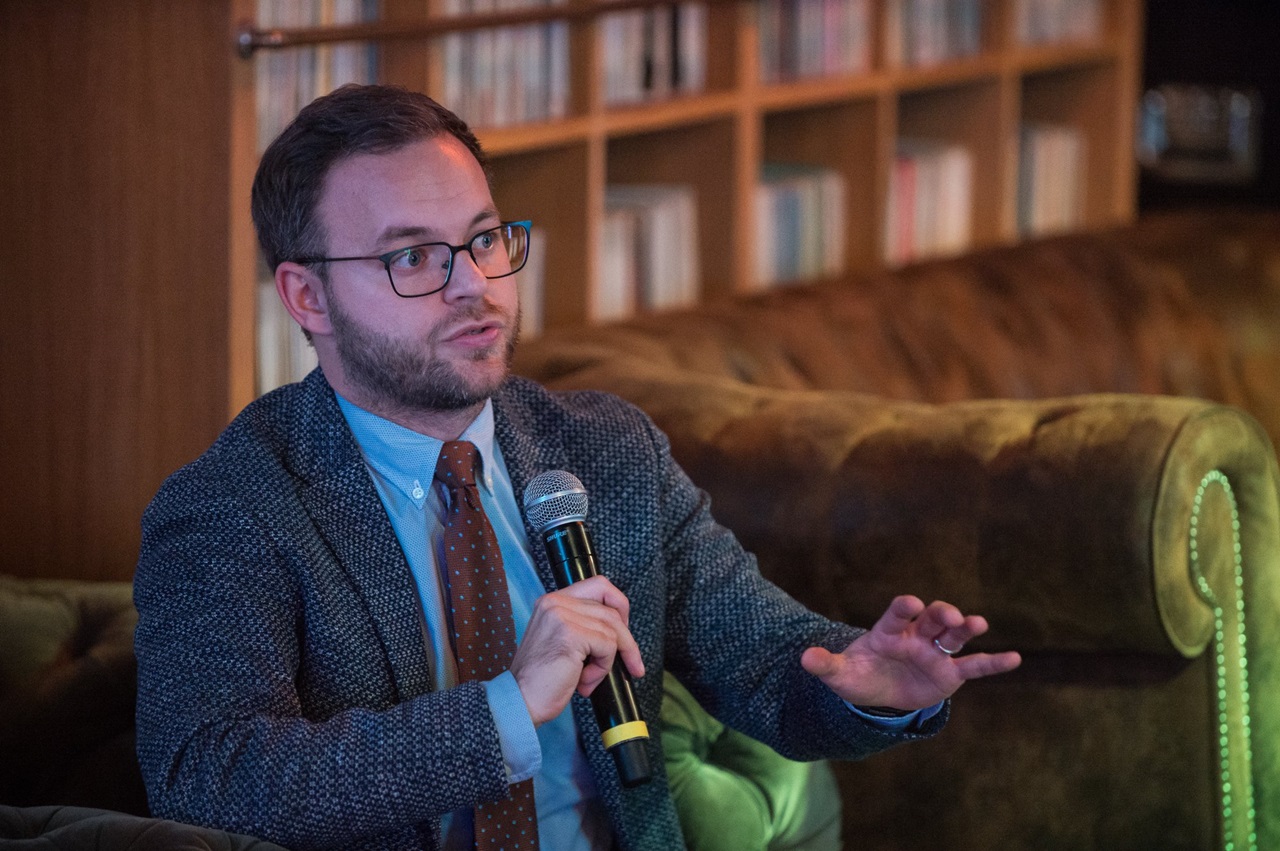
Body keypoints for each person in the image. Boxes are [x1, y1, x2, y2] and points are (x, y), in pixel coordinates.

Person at [133, 83, 1021, 851]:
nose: (473, 286)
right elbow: (209, 776)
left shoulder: (606, 450)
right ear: (307, 296)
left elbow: (761, 658)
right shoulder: (231, 506)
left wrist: (869, 686)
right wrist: (507, 707)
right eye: (413, 258)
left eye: (484, 240)